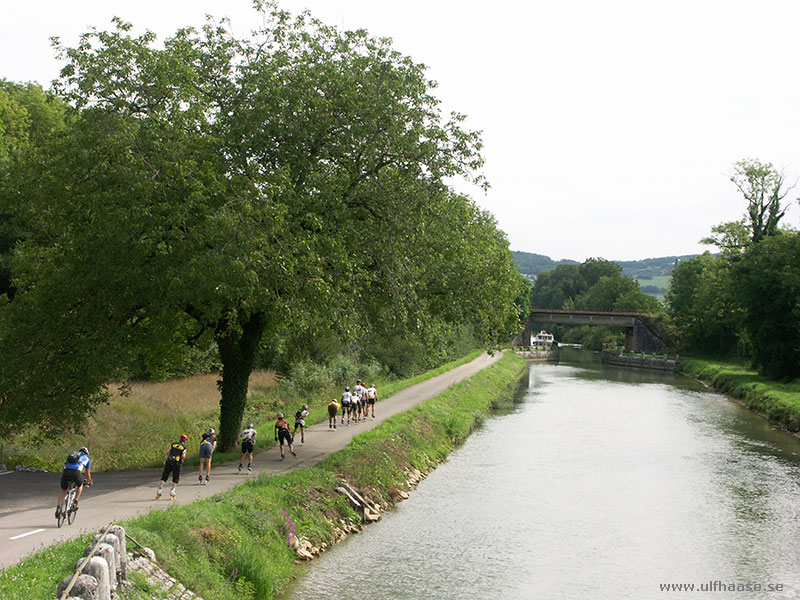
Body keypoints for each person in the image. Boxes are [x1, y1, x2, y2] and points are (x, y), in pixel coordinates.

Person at [56, 447, 92, 518]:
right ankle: (75, 502)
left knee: (63, 490)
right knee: (80, 484)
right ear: (86, 454)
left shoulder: (72, 456)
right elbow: (88, 473)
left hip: (66, 472)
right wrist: (88, 482)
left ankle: (58, 508)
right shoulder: (86, 459)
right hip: (76, 473)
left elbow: (64, 468)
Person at [156, 434, 188, 500]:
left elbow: (167, 452)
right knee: (175, 477)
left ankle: (159, 490)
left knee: (165, 475)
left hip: (169, 461)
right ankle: (172, 492)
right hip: (177, 463)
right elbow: (183, 456)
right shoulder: (184, 447)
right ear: (185, 441)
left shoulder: (173, 444)